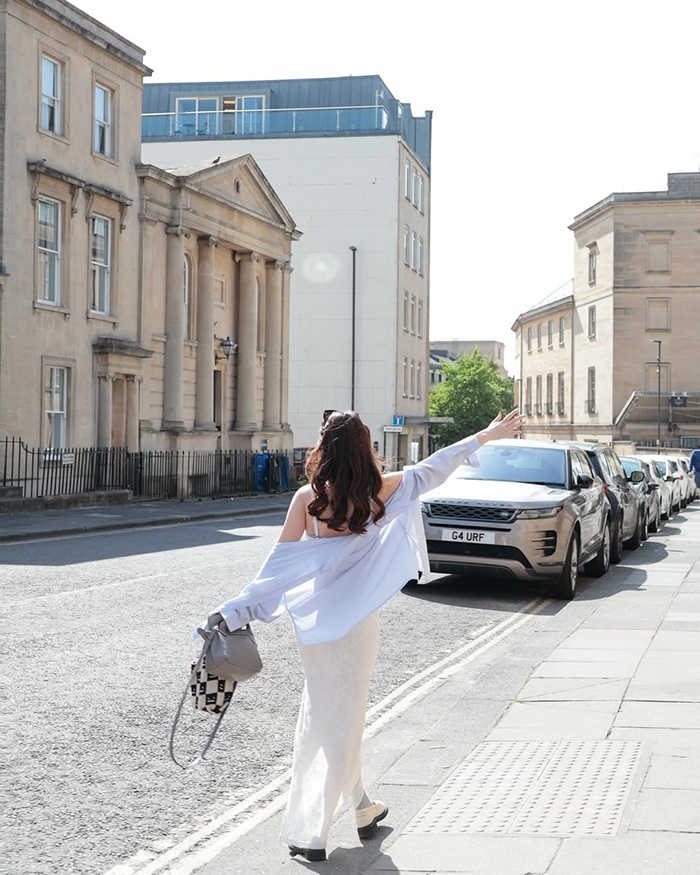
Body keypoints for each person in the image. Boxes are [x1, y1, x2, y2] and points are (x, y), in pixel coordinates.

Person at [204, 408, 524, 862]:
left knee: (326, 716)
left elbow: (274, 573)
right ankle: (318, 830)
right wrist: (483, 436)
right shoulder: (381, 492)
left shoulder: (306, 501)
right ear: (363, 448)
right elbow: (436, 467)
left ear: (322, 448)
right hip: (357, 626)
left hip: (316, 628)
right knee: (344, 718)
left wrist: (232, 610)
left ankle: (360, 809)